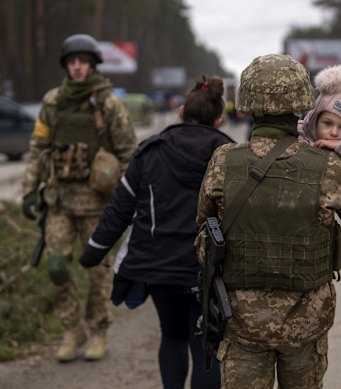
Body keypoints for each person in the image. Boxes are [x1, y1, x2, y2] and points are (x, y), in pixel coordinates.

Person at [196, 54, 341, 389]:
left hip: (242, 323)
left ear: (248, 102)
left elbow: (204, 223)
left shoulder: (224, 161)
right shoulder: (327, 164)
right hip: (305, 324)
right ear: (303, 102)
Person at [78, 75, 233, 389]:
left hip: (157, 268)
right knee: (207, 346)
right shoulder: (230, 157)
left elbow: (119, 208)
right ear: (218, 119)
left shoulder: (149, 152)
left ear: (179, 113)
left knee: (172, 336)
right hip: (209, 269)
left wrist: (93, 251)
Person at [21, 33, 137, 362]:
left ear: (92, 65)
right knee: (56, 266)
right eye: (72, 62)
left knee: (98, 272)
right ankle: (73, 330)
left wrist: (126, 199)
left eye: (83, 62)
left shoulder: (108, 103)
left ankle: (98, 330)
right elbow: (38, 147)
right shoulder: (53, 101)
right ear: (66, 65)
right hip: (58, 200)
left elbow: (129, 153)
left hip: (96, 204)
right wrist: (30, 189)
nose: (77, 67)